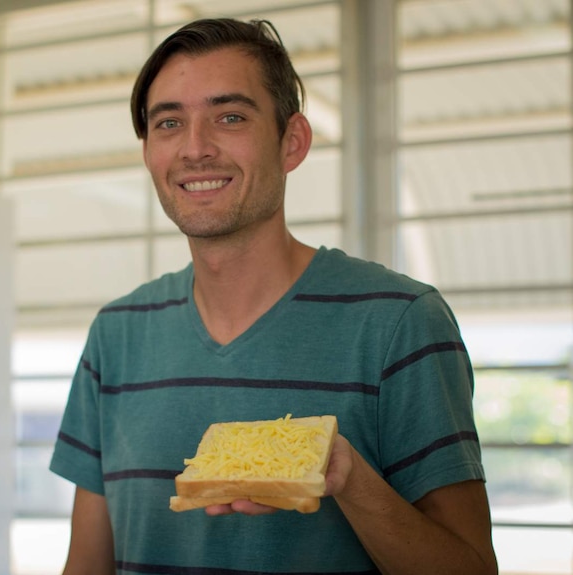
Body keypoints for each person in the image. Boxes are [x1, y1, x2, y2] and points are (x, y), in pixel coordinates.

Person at [49, 17, 497, 575]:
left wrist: (348, 479)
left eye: (230, 116)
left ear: (292, 142)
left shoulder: (400, 323)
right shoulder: (116, 333)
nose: (195, 148)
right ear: (148, 153)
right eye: (169, 123)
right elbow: (86, 565)